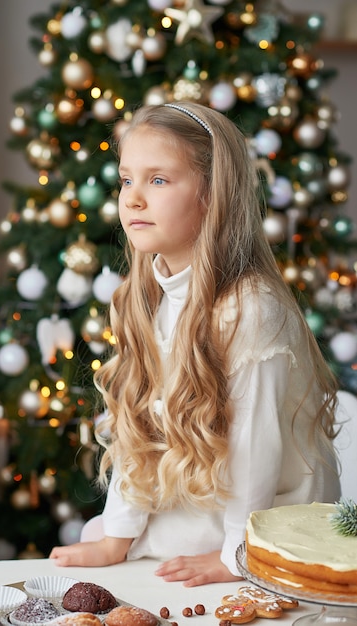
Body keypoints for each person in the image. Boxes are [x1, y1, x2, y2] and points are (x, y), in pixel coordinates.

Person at [50, 101, 340, 586]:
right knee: (103, 533)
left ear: (212, 194)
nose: (133, 199)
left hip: (260, 516)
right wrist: (116, 537)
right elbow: (137, 426)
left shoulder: (250, 309)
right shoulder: (147, 296)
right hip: (198, 492)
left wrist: (236, 556)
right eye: (126, 180)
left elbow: (256, 447)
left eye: (158, 180)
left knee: (162, 567)